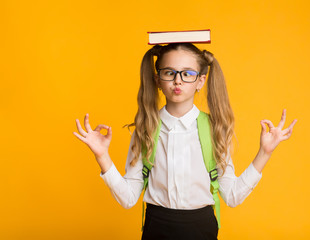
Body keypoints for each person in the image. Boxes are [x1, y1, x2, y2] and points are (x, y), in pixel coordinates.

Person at [73, 42, 297, 240]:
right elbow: (128, 199)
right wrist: (102, 156)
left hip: (201, 228)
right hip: (156, 226)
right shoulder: (144, 130)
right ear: (157, 79)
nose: (177, 80)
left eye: (187, 73)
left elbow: (232, 196)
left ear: (200, 81)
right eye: (169, 72)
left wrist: (264, 153)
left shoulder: (215, 130)